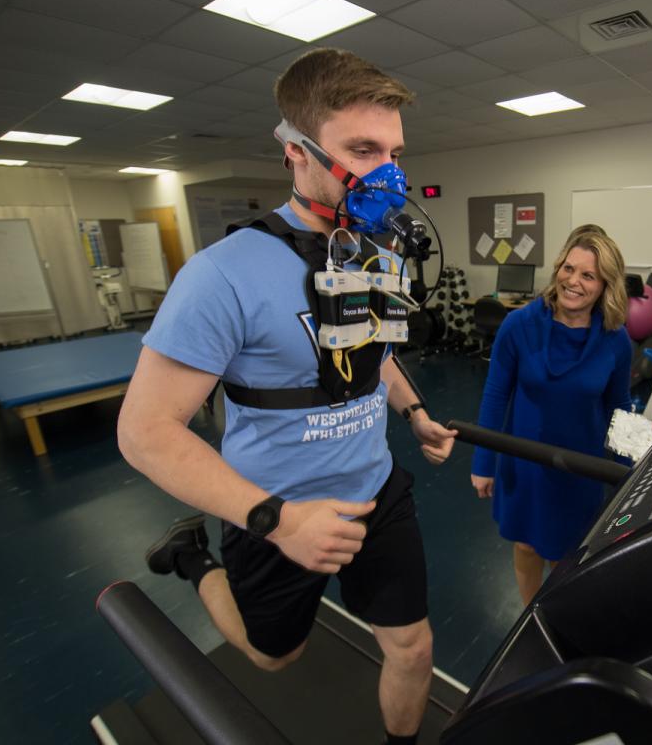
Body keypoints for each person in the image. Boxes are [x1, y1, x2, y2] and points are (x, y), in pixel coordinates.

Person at [118, 48, 457, 745]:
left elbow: (375, 356)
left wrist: (413, 412)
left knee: (413, 646)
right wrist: (279, 521)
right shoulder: (221, 275)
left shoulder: (379, 256)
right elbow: (145, 432)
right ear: (297, 152)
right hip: (272, 505)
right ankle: (193, 558)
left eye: (393, 150)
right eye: (363, 149)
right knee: (276, 655)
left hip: (374, 489)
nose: (386, 173)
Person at [470, 228, 633, 606]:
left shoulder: (615, 339)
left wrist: (629, 474)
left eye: (588, 275)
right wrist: (483, 463)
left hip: (579, 467)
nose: (573, 281)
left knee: (566, 555)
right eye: (568, 268)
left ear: (605, 285)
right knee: (526, 545)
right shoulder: (519, 326)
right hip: (524, 462)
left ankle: (560, 616)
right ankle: (530, 619)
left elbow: (619, 407)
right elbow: (495, 395)